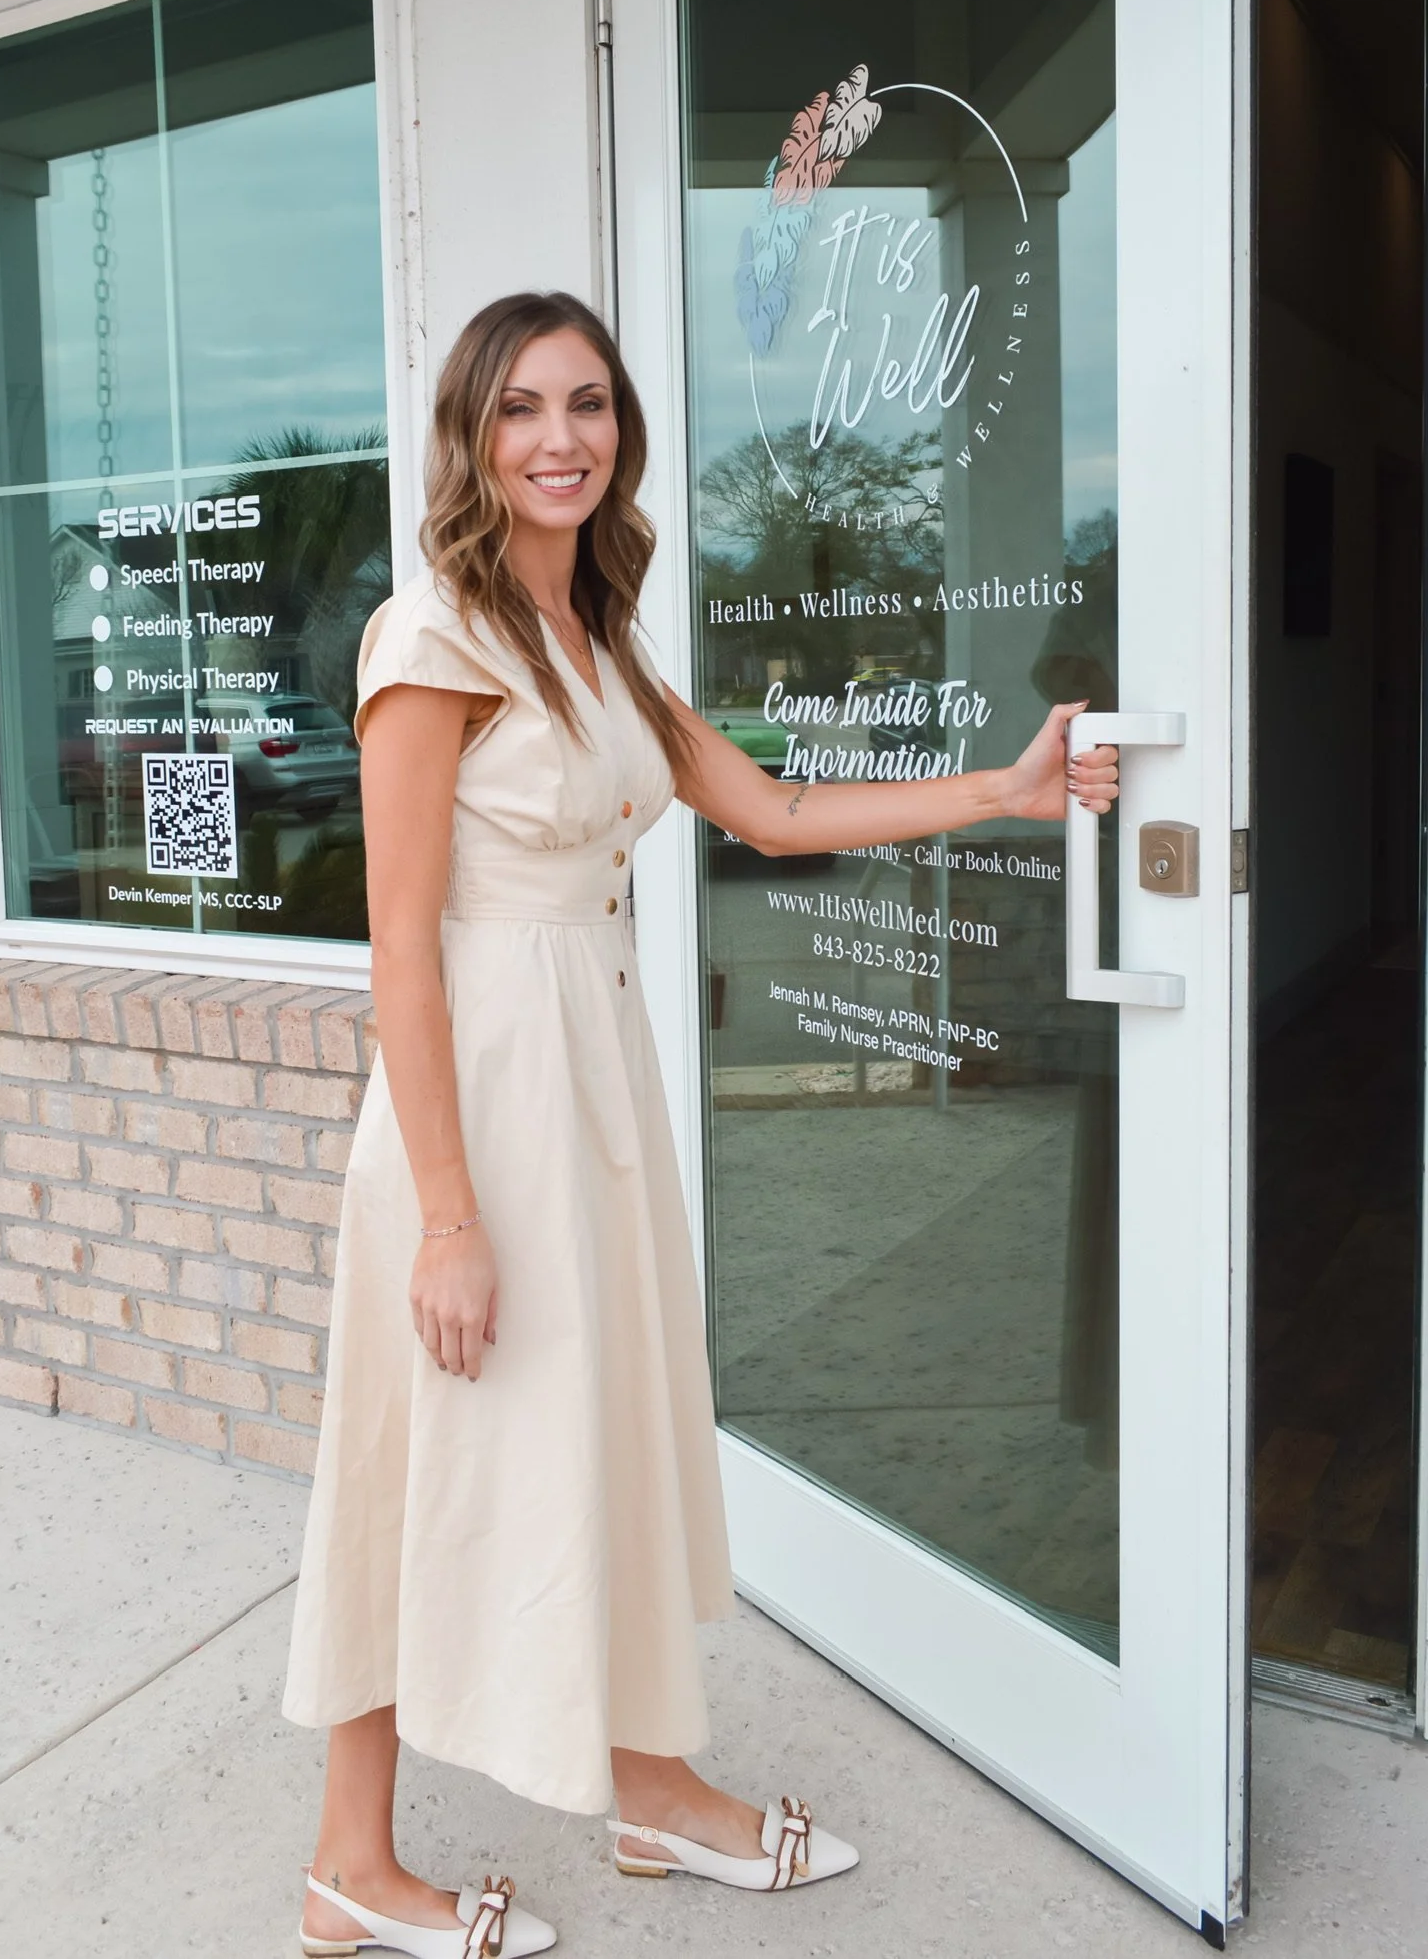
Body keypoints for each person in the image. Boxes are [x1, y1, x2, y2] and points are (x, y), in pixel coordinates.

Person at [282, 291, 1120, 1958]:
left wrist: (1003, 790)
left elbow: (776, 809)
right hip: (482, 1107)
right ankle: (350, 1864)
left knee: (603, 1431)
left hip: (591, 1077)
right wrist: (447, 1214)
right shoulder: (429, 637)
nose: (561, 438)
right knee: (417, 1452)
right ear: (471, 436)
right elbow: (399, 950)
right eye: (522, 407)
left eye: (588, 402)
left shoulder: (595, 634)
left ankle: (651, 1784)